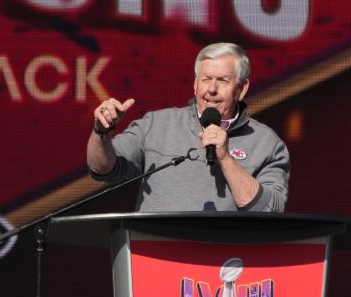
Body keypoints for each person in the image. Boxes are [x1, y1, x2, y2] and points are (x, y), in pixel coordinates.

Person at [86, 42, 289, 212]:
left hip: (227, 257)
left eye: (222, 81)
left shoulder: (266, 142)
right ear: (195, 84)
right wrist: (101, 132)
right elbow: (103, 169)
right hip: (157, 252)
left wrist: (226, 159)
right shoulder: (155, 124)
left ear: (242, 88)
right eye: (206, 79)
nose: (211, 89)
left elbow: (270, 209)